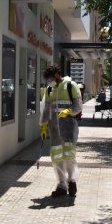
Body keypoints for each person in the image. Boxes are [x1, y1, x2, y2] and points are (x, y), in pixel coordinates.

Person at [39, 65, 83, 197]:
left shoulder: (70, 85)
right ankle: (61, 185)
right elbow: (46, 109)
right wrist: (43, 125)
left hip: (68, 127)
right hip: (54, 129)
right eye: (48, 79)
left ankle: (72, 181)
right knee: (57, 157)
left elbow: (78, 105)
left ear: (57, 74)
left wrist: (69, 111)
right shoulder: (49, 90)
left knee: (69, 156)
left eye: (51, 78)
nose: (49, 81)